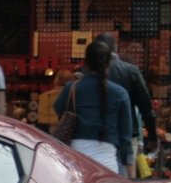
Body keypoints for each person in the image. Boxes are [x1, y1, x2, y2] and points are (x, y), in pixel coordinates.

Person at [54, 40, 133, 175]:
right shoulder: (120, 93)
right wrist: (131, 175)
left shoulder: (72, 88)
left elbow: (58, 109)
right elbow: (126, 137)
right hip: (108, 165)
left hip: (76, 164)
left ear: (85, 63)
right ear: (109, 64)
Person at [93, 31, 158, 155]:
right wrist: (152, 136)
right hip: (125, 132)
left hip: (93, 136)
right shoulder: (131, 71)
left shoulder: (86, 72)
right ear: (115, 48)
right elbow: (146, 107)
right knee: (124, 172)